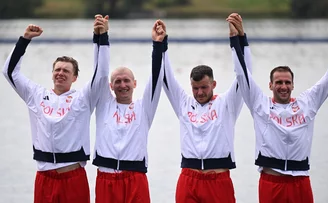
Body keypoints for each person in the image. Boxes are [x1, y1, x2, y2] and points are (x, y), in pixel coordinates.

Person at [227, 13, 328, 203]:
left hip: (300, 182)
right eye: (278, 82)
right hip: (272, 182)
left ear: (293, 85)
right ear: (270, 85)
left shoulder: (307, 103)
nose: (283, 86)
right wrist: (237, 38)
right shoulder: (260, 104)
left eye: (287, 82)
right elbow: (242, 73)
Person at [2, 16, 110, 203]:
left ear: (74, 77)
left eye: (66, 71)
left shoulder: (83, 98)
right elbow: (9, 72)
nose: (60, 73)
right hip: (45, 177)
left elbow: (100, 74)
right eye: (57, 70)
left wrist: (100, 37)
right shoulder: (35, 94)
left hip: (73, 177)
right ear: (52, 74)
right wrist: (24, 40)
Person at [160, 15, 251, 203]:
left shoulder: (227, 104)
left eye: (204, 87)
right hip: (188, 180)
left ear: (214, 84)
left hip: (218, 182)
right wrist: (161, 44)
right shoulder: (184, 103)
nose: (199, 92)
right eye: (195, 88)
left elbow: (245, 75)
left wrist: (239, 40)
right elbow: (166, 77)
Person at [91, 19, 166, 203]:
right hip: (106, 179)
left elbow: (156, 78)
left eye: (126, 81)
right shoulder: (104, 104)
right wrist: (101, 37)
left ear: (135, 84)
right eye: (117, 81)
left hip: (135, 178)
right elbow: (99, 71)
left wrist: (158, 44)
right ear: (111, 86)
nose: (122, 85)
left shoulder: (144, 107)